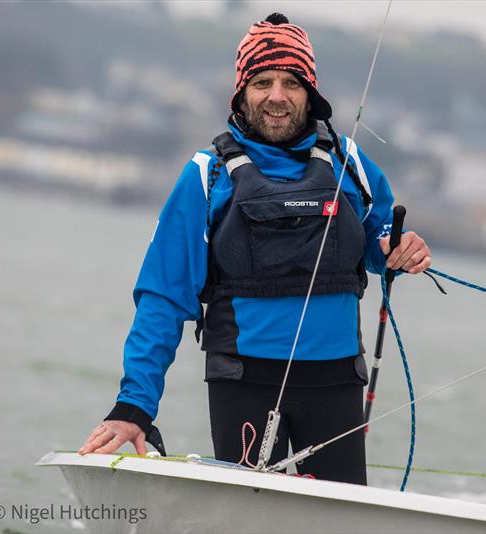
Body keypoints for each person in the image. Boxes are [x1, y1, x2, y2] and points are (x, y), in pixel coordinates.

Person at [78, 13, 431, 485]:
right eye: (263, 81)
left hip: (337, 382)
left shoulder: (352, 164)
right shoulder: (206, 174)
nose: (277, 96)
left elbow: (380, 240)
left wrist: (402, 249)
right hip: (244, 382)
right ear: (242, 92)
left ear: (311, 93)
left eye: (291, 82)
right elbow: (163, 298)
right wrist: (134, 407)